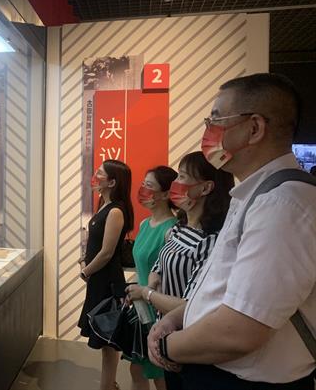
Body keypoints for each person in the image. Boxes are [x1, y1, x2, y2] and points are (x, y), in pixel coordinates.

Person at [148, 73, 316, 389]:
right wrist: (175, 319)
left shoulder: (282, 204)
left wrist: (165, 346)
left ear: (254, 128)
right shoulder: (253, 194)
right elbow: (222, 289)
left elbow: (240, 331)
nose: (208, 132)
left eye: (215, 121)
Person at [126, 152, 234, 390]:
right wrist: (153, 285)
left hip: (189, 341)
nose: (176, 183)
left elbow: (192, 305)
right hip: (164, 334)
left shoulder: (210, 241)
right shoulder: (179, 228)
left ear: (205, 188)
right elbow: (157, 267)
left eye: (183, 177)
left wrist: (147, 294)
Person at [77, 159, 135, 390]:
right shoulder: (104, 204)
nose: (95, 175)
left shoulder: (116, 211)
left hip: (108, 282)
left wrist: (86, 271)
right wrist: (86, 260)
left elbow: (107, 252)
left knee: (108, 338)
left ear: (112, 182)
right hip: (99, 280)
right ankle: (109, 384)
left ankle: (107, 385)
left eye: (100, 173)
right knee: (105, 338)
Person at [124, 166, 178, 390]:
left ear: (165, 194)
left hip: (159, 309)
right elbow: (141, 267)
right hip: (140, 308)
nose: (143, 189)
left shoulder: (172, 229)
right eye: (143, 184)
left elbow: (170, 276)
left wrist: (147, 292)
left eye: (149, 185)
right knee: (136, 368)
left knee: (160, 374)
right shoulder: (144, 224)